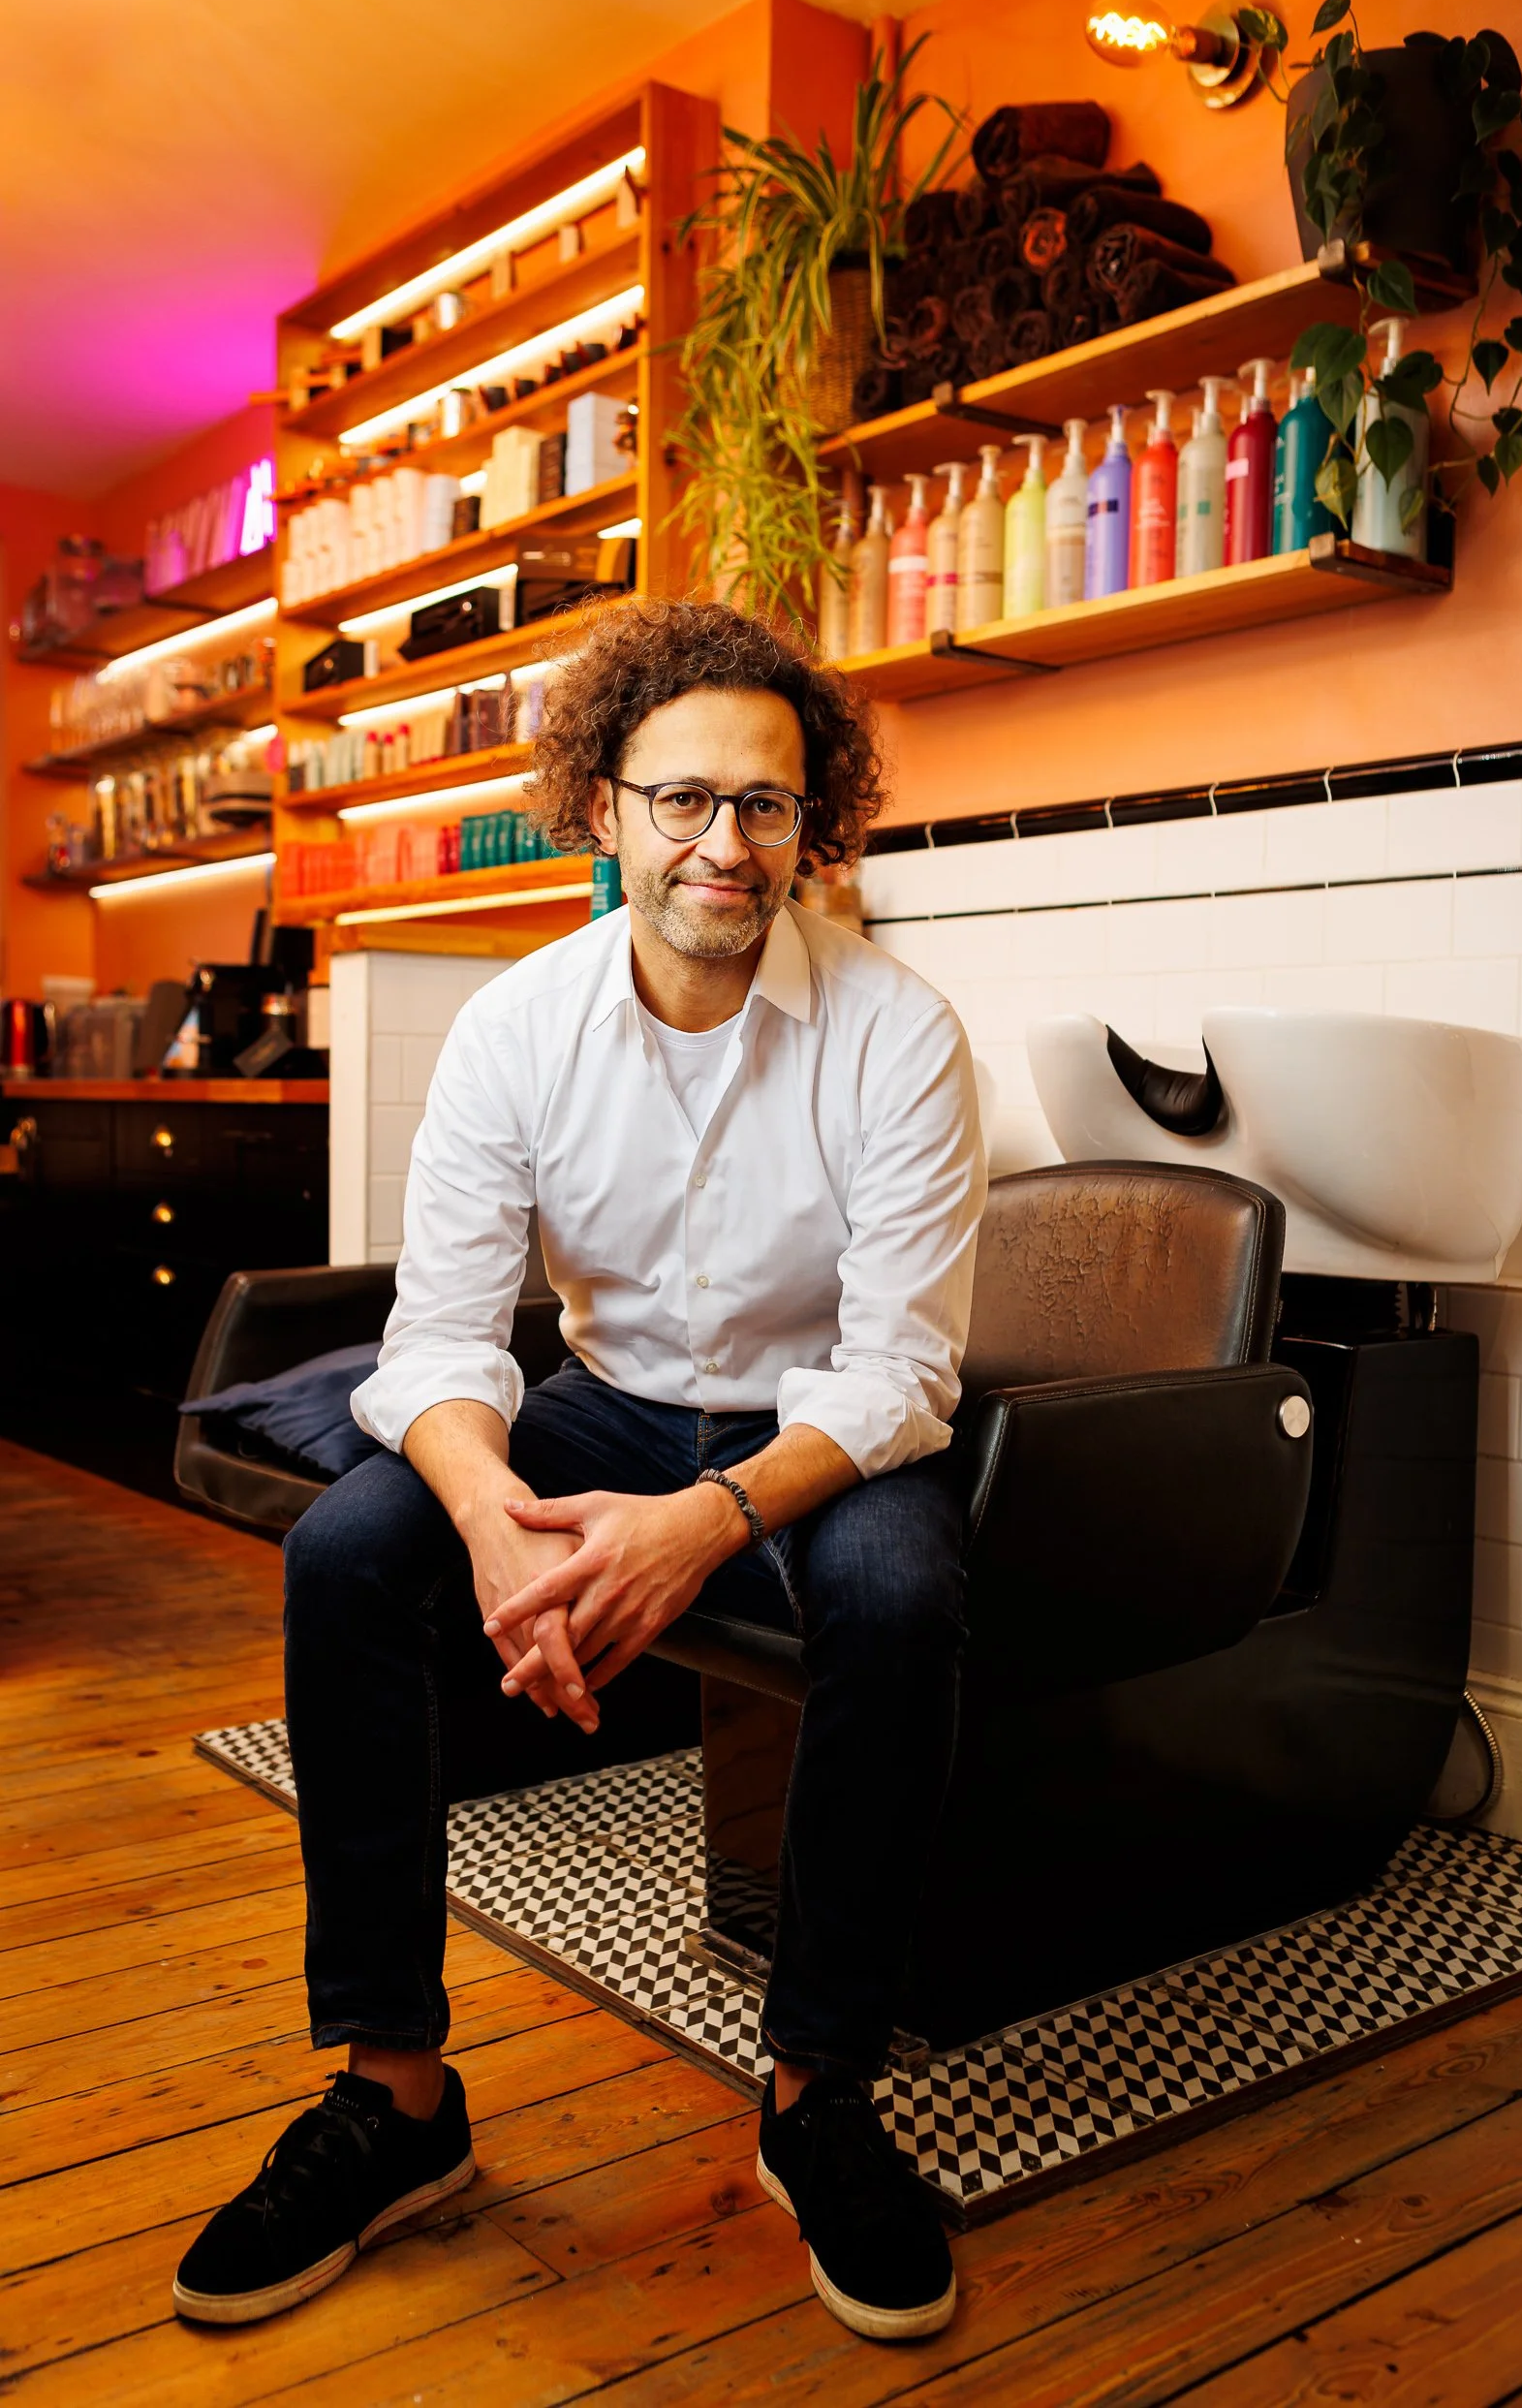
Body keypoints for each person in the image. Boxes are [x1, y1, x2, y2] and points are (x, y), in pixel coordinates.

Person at [173, 599, 986, 2343]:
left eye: (764, 804)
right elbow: (445, 1341)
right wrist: (491, 1531)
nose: (723, 842)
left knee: (902, 1589)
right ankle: (395, 2099)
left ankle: (817, 2096)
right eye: (681, 799)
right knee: (346, 1558)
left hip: (815, 1430)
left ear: (812, 820)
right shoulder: (513, 1030)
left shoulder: (897, 1031)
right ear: (602, 808)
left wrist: (698, 1529)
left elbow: (902, 1372)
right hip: (596, 1405)